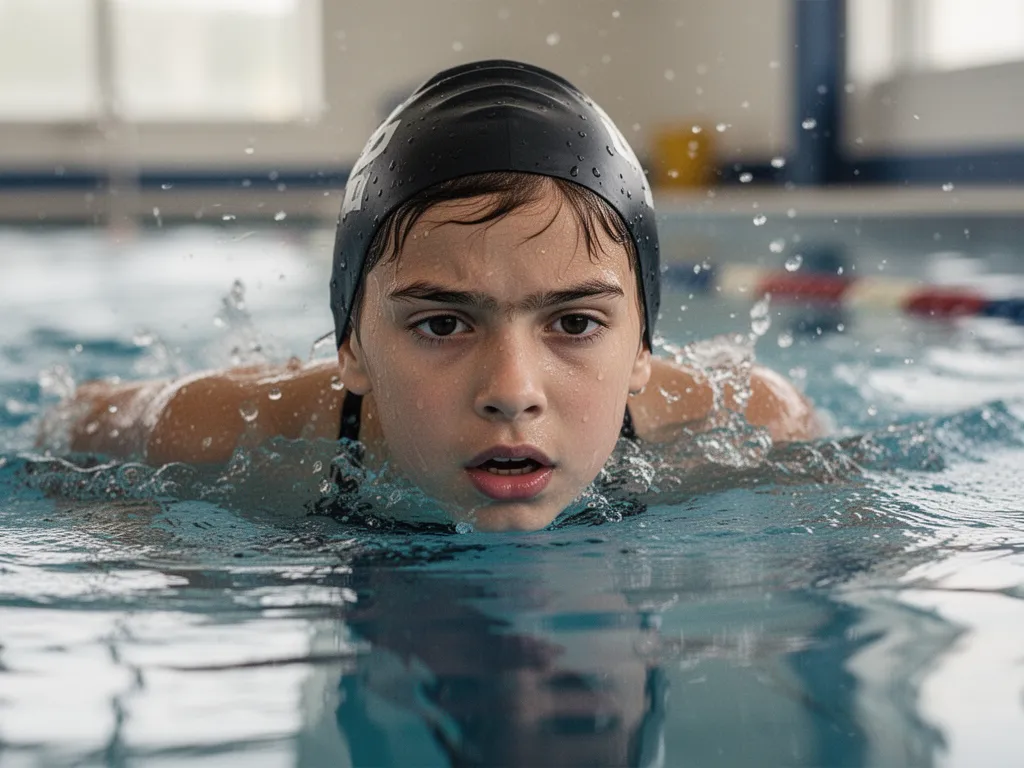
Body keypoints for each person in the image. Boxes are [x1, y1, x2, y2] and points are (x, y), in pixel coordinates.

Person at [54, 60, 819, 532]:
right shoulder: (218, 430)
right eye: (444, 322)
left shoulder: (759, 423)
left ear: (643, 347)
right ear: (353, 347)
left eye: (576, 322)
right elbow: (75, 421)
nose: (512, 393)